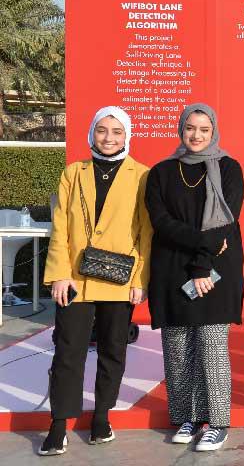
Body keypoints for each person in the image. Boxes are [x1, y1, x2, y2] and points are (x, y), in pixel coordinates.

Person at [40, 106, 152, 456]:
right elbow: (60, 226)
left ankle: (102, 416)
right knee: (67, 351)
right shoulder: (74, 172)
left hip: (119, 278)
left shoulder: (142, 175)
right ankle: (59, 423)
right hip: (75, 278)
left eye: (117, 131)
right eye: (102, 130)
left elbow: (146, 232)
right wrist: (59, 274)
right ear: (92, 133)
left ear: (127, 135)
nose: (109, 138)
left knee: (113, 349)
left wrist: (140, 279)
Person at [146, 103, 244, 452]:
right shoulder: (161, 172)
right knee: (177, 348)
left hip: (216, 269)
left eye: (204, 129)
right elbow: (161, 221)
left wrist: (202, 265)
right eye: (190, 128)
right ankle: (188, 417)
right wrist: (201, 245)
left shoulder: (229, 168)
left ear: (213, 130)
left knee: (211, 345)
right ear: (181, 129)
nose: (196, 135)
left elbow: (226, 220)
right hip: (172, 267)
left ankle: (217, 422)